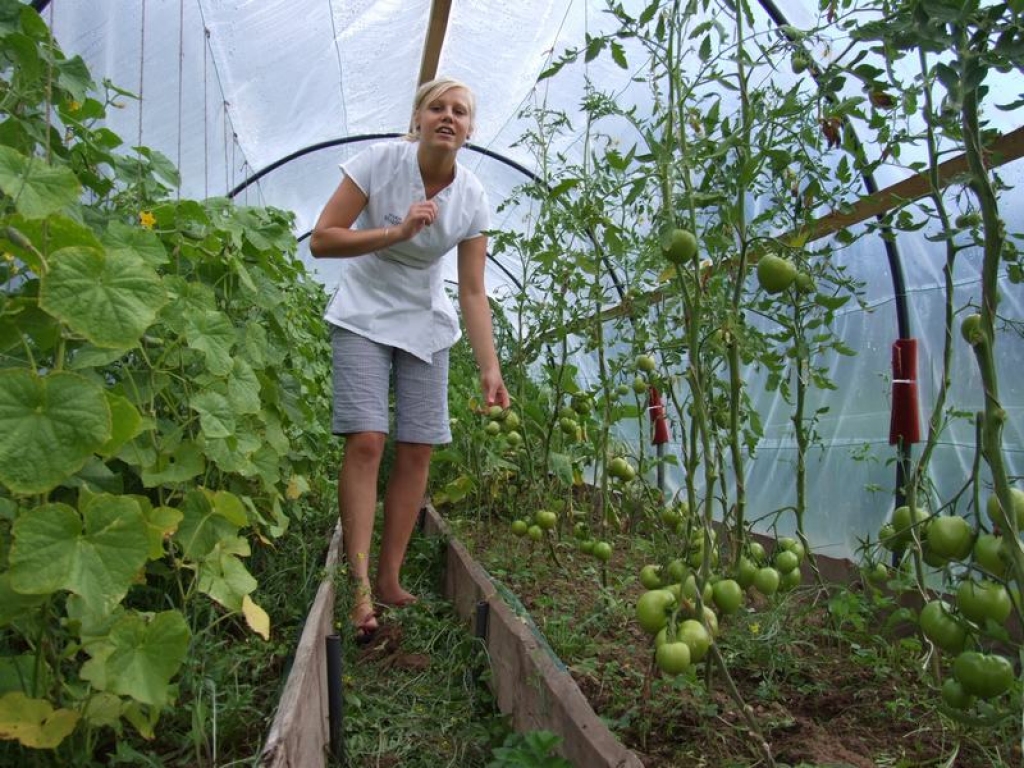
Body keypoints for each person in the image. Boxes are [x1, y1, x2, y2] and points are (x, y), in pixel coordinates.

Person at [310, 77, 510, 642]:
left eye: (461, 112)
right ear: (418, 118)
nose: (449, 117)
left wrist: (490, 368)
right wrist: (396, 230)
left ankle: (390, 576)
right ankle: (358, 590)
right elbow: (322, 240)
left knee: (418, 445)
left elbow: (472, 290)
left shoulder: (471, 196)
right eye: (437, 107)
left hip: (425, 317)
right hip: (365, 310)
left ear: (470, 131)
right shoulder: (377, 163)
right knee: (367, 438)